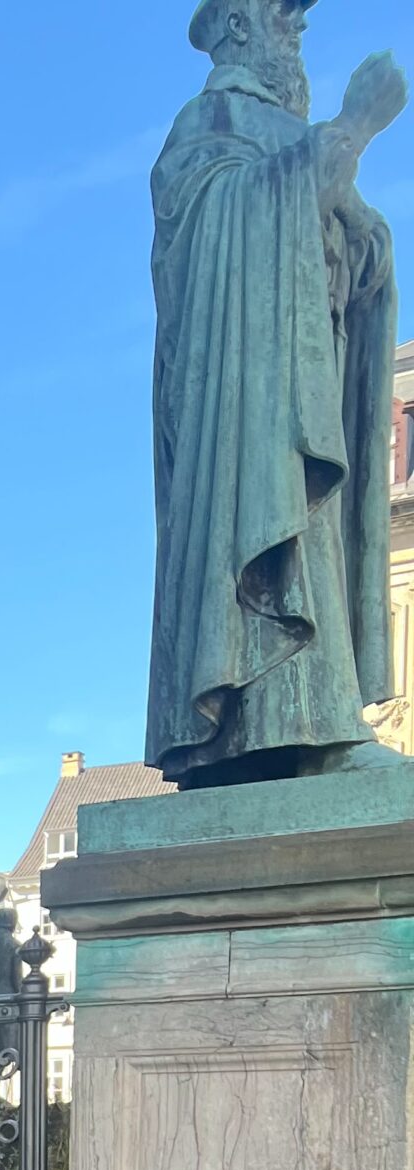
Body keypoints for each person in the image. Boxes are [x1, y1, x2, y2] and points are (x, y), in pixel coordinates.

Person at [147, 0, 406, 786]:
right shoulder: (209, 121)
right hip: (245, 401)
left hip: (306, 377)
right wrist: (351, 129)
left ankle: (313, 725)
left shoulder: (286, 135)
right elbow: (224, 230)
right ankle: (275, 730)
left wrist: (362, 242)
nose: (298, 33)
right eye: (284, 17)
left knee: (311, 532)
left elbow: (355, 254)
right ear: (237, 25)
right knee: (273, 524)